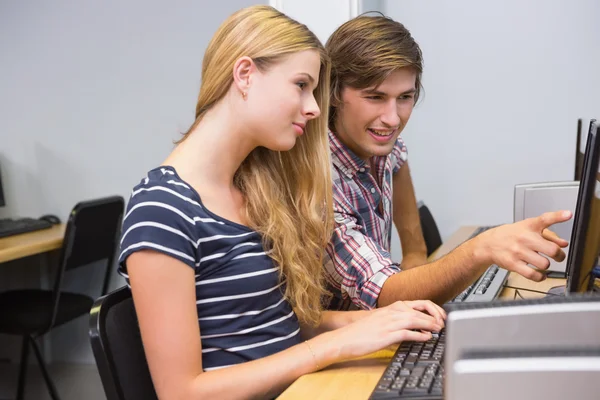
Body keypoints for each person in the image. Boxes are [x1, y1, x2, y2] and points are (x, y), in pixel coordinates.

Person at [118, 6, 445, 399]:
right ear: (245, 75)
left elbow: (280, 325)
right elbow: (182, 392)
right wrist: (332, 346)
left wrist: (378, 321)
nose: (314, 108)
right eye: (301, 85)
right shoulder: (162, 209)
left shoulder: (254, 190)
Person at [323, 14, 571, 310]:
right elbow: (382, 295)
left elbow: (415, 249)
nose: (392, 119)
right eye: (375, 97)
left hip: (381, 331)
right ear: (334, 93)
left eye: (405, 97)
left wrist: (417, 300)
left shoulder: (388, 149)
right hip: (342, 348)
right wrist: (480, 249)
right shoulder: (318, 179)